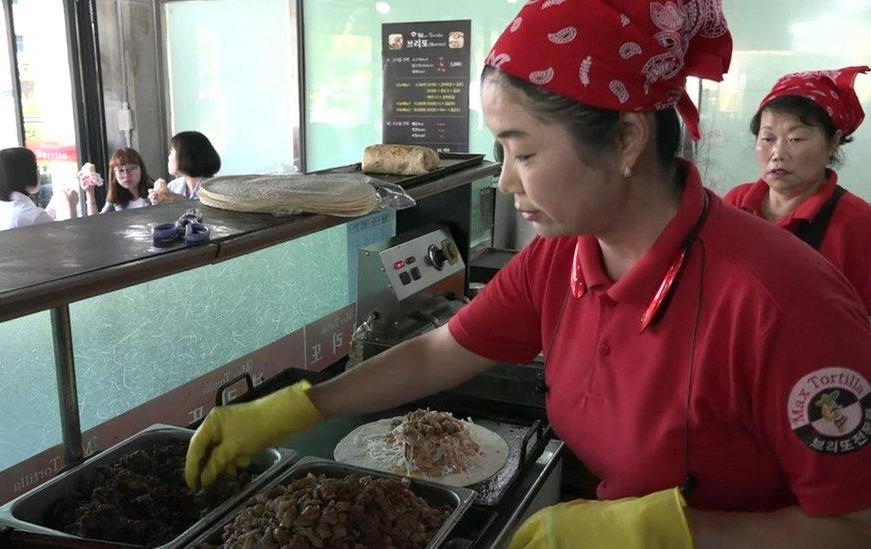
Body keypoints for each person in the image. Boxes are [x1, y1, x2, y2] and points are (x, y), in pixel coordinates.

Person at [184, 2, 871, 547]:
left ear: (628, 137)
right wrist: (304, 403)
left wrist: (667, 530)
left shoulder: (782, 302)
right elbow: (442, 348)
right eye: (500, 151)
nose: (507, 180)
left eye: (525, 151)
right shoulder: (562, 254)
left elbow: (855, 525)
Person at [724, 66, 871, 312]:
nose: (778, 154)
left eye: (796, 139)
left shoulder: (858, 223)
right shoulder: (734, 203)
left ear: (833, 142)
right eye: (768, 139)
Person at [0, 147, 78, 229]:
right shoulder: (32, 216)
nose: (38, 172)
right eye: (36, 167)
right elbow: (68, 241)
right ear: (25, 174)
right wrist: (72, 206)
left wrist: (53, 204)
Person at [148, 131, 220, 205]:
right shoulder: (173, 186)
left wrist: (181, 201)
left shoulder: (215, 189)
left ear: (187, 155)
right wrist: (158, 202)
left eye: (172, 151)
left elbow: (211, 213)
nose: (169, 157)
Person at [81, 148, 154, 214]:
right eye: (121, 170)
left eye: (132, 168)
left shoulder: (154, 193)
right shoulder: (116, 200)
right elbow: (96, 223)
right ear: (114, 174)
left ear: (141, 170)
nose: (127, 174)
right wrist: (90, 192)